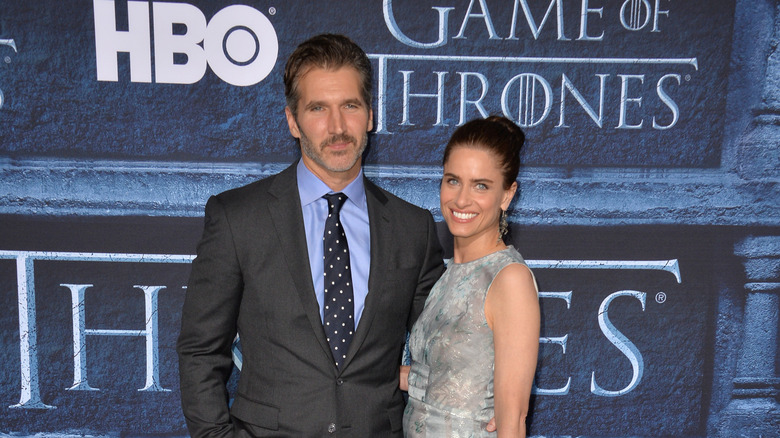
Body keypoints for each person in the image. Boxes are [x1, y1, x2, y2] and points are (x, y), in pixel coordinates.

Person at [176, 34, 445, 437]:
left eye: (350, 106)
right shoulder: (238, 218)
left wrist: (487, 401)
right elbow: (200, 350)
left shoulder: (413, 228)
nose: (337, 127)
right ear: (293, 121)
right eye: (318, 108)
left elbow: (446, 346)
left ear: (370, 115)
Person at [402, 116, 540, 437]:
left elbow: (512, 419)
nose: (461, 200)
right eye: (453, 180)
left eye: (481, 185)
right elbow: (438, 380)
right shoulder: (447, 274)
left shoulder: (510, 280)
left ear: (507, 195)